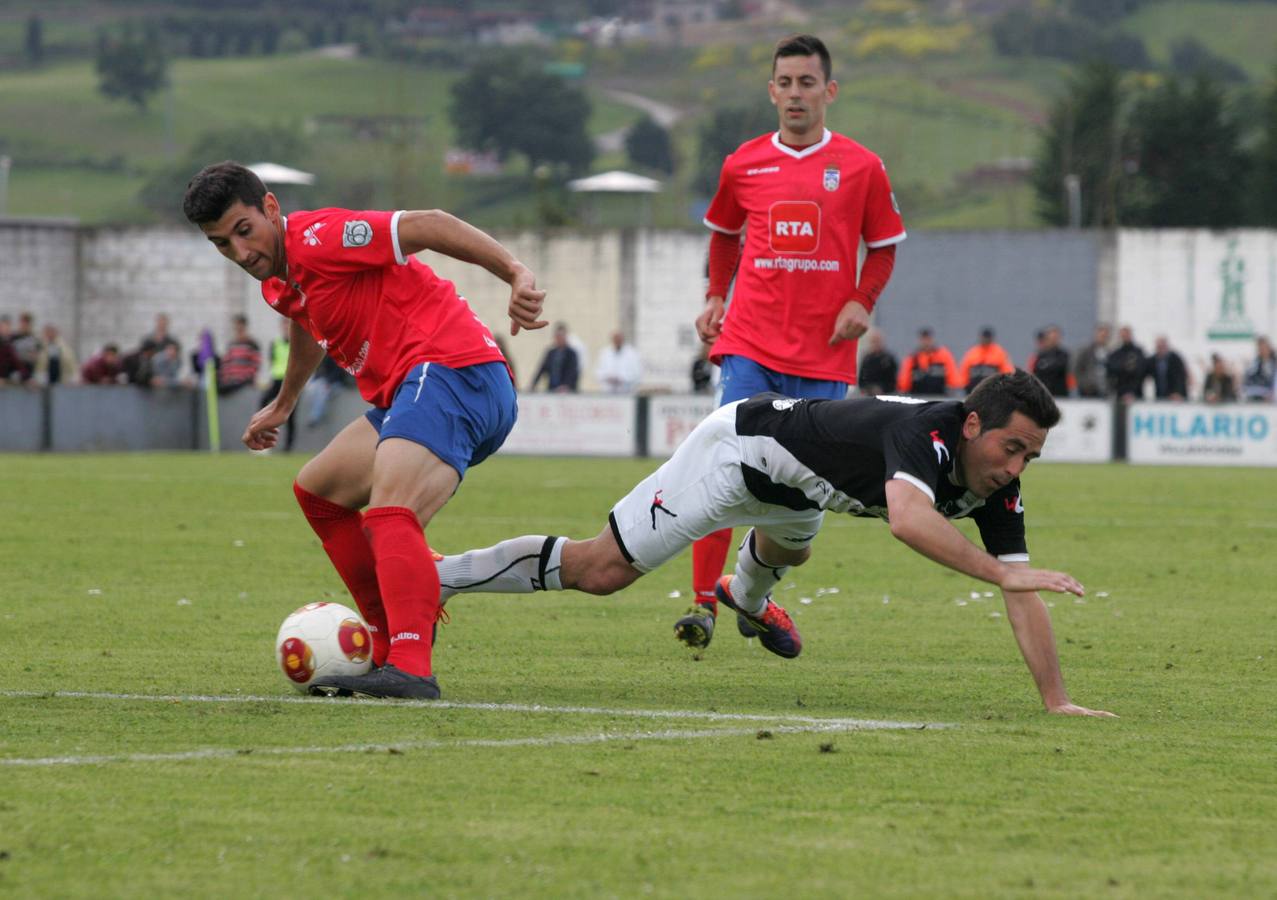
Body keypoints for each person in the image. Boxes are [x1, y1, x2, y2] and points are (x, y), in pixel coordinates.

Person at [436, 372, 1114, 717]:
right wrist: (995, 571)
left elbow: (1019, 587)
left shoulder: (997, 484)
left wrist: (1055, 701)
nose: (1016, 468)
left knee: (791, 549)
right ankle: (435, 574)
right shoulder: (926, 434)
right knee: (601, 570)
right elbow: (909, 520)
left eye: (1031, 456)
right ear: (970, 426)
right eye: (1011, 447)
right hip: (737, 451)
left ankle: (740, 594)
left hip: (798, 490)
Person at [183, 160, 546, 700]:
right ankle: (384, 641)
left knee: (389, 512)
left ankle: (411, 663)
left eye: (244, 231)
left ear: (271, 209)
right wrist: (284, 403)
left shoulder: (318, 236)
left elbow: (429, 223)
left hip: (452, 369)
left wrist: (515, 272)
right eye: (222, 245)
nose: (241, 253)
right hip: (416, 391)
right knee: (318, 492)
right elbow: (309, 323)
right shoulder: (282, 282)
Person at [682, 33, 906, 649]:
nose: (795, 94)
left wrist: (863, 301)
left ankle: (752, 596)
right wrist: (715, 297)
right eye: (785, 83)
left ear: (829, 91)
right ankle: (702, 603)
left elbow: (883, 245)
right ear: (772, 90)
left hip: (824, 354)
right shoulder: (743, 163)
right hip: (749, 343)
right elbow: (725, 235)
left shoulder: (861, 166)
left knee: (802, 498)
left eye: (807, 83)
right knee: (722, 464)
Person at [258, 319, 295, 450]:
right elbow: (272, 363)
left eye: (288, 324)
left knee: (291, 415)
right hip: (277, 380)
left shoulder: (296, 343)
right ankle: (262, 434)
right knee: (263, 401)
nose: (286, 327)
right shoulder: (275, 343)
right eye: (284, 324)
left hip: (291, 382)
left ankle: (288, 446)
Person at [897, 327, 959, 396]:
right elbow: (904, 383)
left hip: (940, 398)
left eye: (928, 339)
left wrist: (951, 390)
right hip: (917, 398)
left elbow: (953, 378)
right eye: (923, 340)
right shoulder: (912, 358)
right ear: (919, 341)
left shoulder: (943, 356)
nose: (926, 342)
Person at [957, 326, 1015, 394]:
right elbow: (964, 372)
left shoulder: (1000, 353)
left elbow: (1007, 372)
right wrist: (964, 386)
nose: (986, 340)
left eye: (987, 338)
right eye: (984, 337)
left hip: (993, 393)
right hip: (974, 392)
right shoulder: (972, 353)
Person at [529, 322, 579, 392]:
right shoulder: (551, 353)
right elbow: (542, 369)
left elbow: (573, 372)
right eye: (558, 336)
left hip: (567, 391)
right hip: (552, 389)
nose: (559, 339)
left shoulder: (572, 354)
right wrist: (533, 385)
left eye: (561, 336)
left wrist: (566, 385)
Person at [218, 314, 261, 395]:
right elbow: (226, 363)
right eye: (236, 326)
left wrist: (244, 377)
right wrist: (226, 378)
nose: (237, 328)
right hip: (231, 381)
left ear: (244, 326)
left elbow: (255, 365)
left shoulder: (252, 344)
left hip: (244, 382)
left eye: (239, 326)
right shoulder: (231, 344)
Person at [1028, 325, 1072, 398]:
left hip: (1060, 394)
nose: (1053, 340)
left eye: (1055, 337)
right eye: (1051, 337)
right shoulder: (1039, 355)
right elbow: (1033, 373)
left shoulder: (1065, 355)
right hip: (1042, 394)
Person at [1106, 326, 1146, 402]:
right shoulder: (1115, 354)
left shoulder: (1138, 352)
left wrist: (1132, 392)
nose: (1125, 337)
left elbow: (1140, 373)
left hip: (1137, 394)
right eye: (1123, 335)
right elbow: (1113, 372)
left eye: (1127, 334)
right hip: (1120, 394)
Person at [1143, 336, 1188, 401]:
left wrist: (1177, 392)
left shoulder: (1175, 359)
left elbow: (1181, 377)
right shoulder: (1152, 360)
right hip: (1160, 396)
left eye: (1162, 346)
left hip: (1175, 397)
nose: (1161, 349)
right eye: (1159, 347)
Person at [1073, 323, 1110, 398]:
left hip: (1105, 391)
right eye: (1101, 335)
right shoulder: (1085, 350)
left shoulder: (1109, 352)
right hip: (1088, 390)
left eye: (1105, 336)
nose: (1103, 337)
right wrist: (1081, 385)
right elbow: (1075, 369)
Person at [856, 330, 897, 396]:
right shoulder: (867, 358)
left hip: (885, 395)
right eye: (873, 342)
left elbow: (893, 381)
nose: (875, 344)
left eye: (877, 341)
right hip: (868, 394)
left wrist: (881, 389)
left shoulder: (888, 359)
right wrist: (865, 389)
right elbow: (861, 379)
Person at [1242, 336, 1276, 402]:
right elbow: (1248, 382)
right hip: (1259, 398)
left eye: (1264, 347)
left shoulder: (1274, 364)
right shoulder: (1254, 365)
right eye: (1260, 348)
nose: (1262, 350)